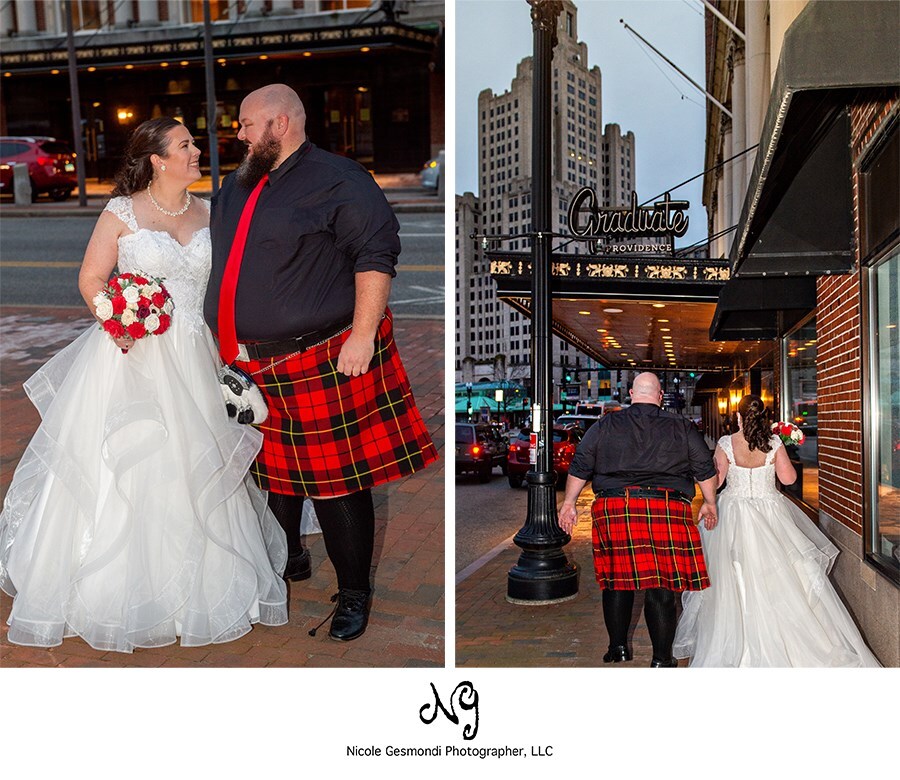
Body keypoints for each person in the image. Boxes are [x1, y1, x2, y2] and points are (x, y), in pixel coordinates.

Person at [0, 118, 289, 653]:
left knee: (195, 464)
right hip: (133, 355)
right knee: (129, 467)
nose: (197, 150)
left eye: (193, 144)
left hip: (196, 355)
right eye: (185, 145)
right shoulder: (122, 212)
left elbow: (225, 286)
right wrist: (120, 318)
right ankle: (114, 591)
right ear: (158, 159)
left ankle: (203, 589)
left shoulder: (209, 211)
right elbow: (91, 280)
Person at [204, 84, 437, 642]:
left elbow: (376, 254)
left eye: (246, 124)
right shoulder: (235, 186)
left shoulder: (339, 179)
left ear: (280, 123)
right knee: (271, 478)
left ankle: (355, 591)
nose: (237, 133)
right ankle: (288, 560)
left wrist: (361, 335)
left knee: (336, 484)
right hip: (247, 366)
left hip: (320, 357)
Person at [673, 395, 881, 667]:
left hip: (733, 514)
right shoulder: (773, 442)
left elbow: (718, 480)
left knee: (734, 575)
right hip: (770, 513)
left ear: (737, 416)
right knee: (779, 575)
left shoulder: (726, 443)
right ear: (764, 417)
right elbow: (789, 479)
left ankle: (740, 644)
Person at [559, 372, 719, 667]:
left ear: (631, 393)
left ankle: (617, 648)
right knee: (662, 586)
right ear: (659, 397)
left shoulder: (605, 423)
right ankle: (661, 659)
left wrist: (569, 503)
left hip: (616, 508)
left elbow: (581, 463)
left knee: (616, 581)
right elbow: (704, 469)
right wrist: (710, 503)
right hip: (667, 510)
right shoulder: (681, 426)